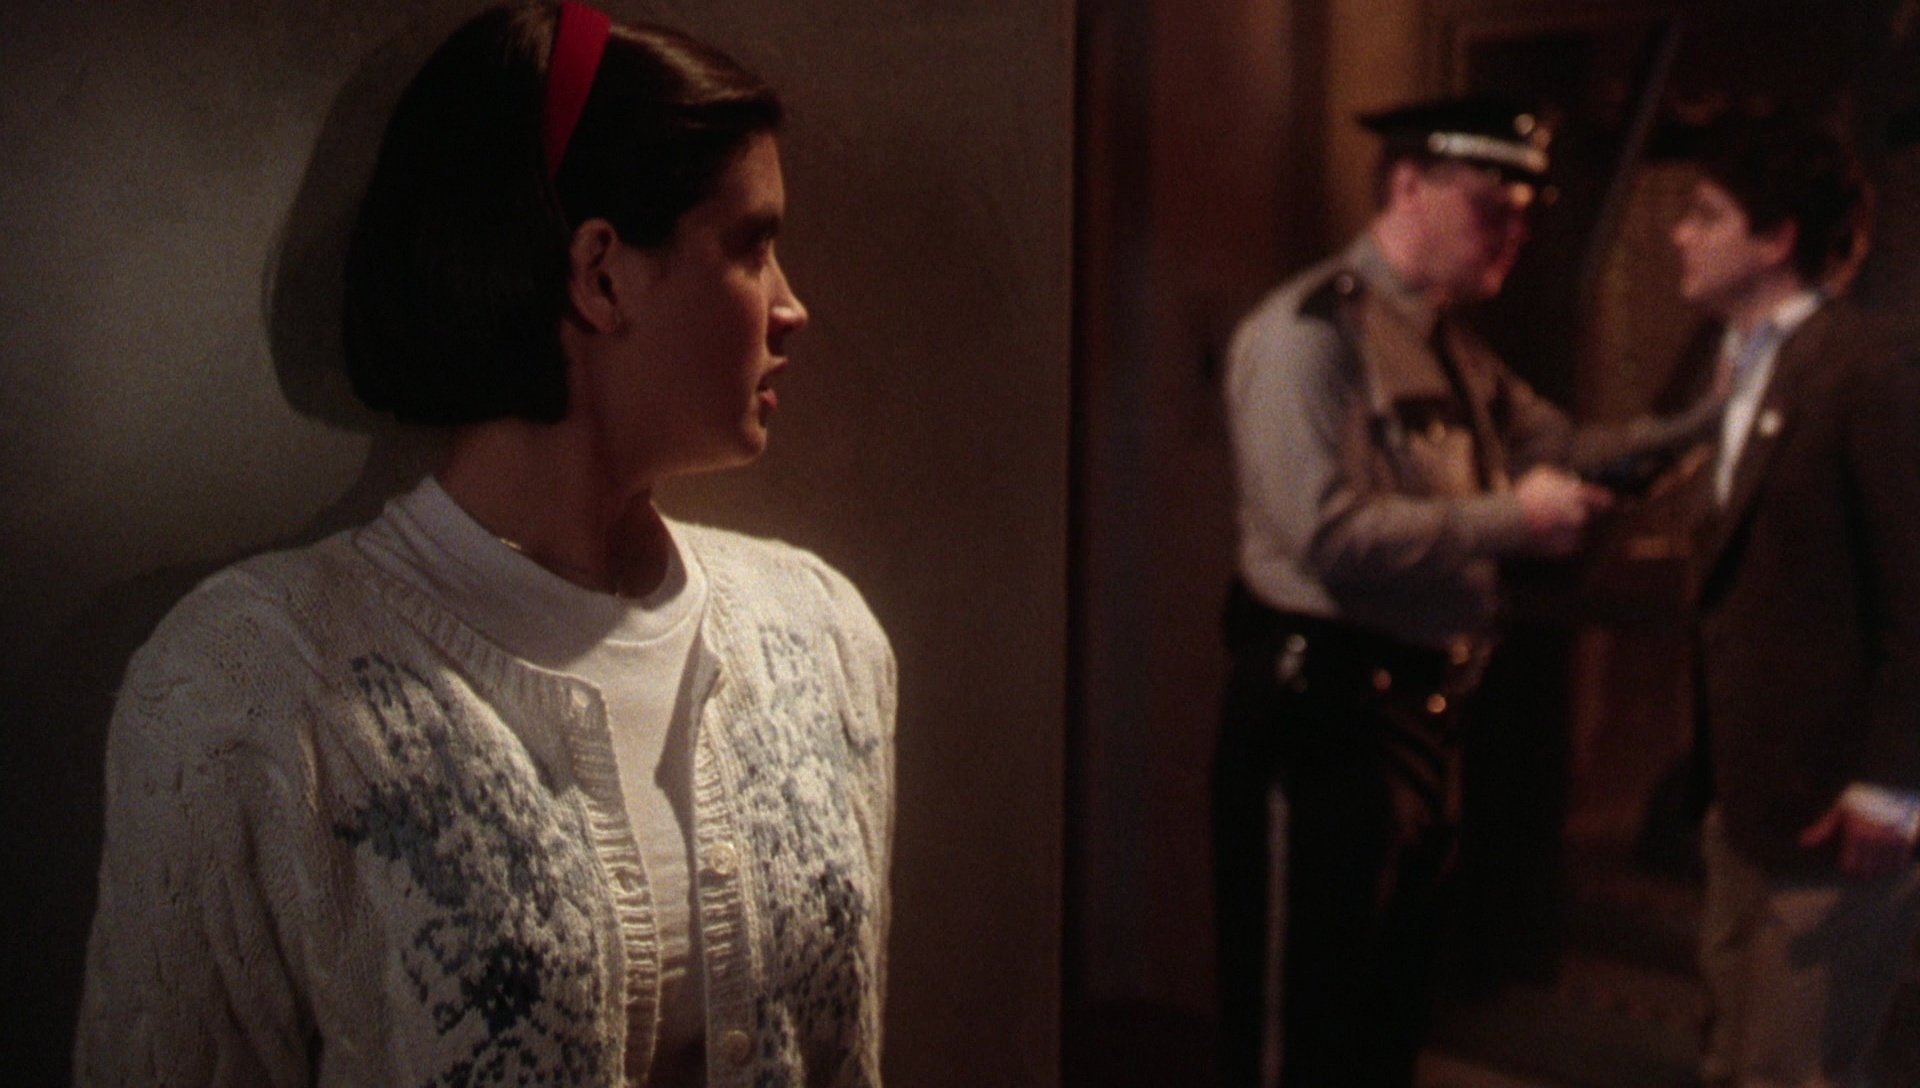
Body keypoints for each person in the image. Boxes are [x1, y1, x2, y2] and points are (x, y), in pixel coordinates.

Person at [74, 3, 897, 1085]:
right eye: (751, 245)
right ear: (602, 273)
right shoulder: (253, 685)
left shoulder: (822, 640)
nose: (793, 307)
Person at [1212, 97, 1718, 1088]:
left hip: (1419, 717)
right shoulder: (1313, 333)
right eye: (1494, 208)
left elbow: (1567, 448)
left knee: (1385, 1009)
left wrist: (1711, 418)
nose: (1515, 235)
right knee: (1299, 1022)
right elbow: (1324, 533)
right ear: (1410, 186)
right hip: (1322, 719)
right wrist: (1511, 521)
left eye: (1526, 215)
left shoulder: (1450, 344)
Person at [1671, 114, 1920, 1088]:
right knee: (1733, 1054)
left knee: (1794, 1067)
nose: (1680, 234)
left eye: (1706, 214)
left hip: (1834, 811)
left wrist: (1890, 786)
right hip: (1749, 800)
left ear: (1776, 237)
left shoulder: (1867, 367)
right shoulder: (1741, 364)